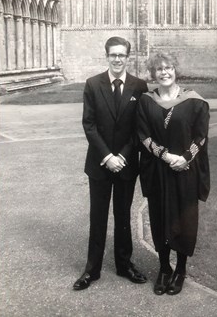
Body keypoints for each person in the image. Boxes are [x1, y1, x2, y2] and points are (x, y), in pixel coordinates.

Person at [73, 36, 148, 290]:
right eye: (113, 55)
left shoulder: (139, 87)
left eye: (122, 55)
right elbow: (89, 125)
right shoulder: (93, 84)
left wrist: (123, 157)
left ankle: (124, 264)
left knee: (123, 215)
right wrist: (108, 157)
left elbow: (140, 128)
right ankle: (91, 270)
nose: (117, 59)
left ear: (128, 57)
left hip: (127, 164)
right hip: (99, 164)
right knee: (98, 216)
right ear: (107, 56)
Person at [136, 52, 210, 296]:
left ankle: (181, 270)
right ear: (153, 74)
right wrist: (165, 155)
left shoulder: (194, 101)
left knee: (184, 220)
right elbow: (143, 136)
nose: (164, 73)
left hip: (185, 171)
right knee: (159, 218)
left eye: (168, 68)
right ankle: (164, 267)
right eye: (159, 69)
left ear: (176, 70)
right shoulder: (146, 101)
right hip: (159, 171)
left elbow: (201, 136)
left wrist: (185, 158)